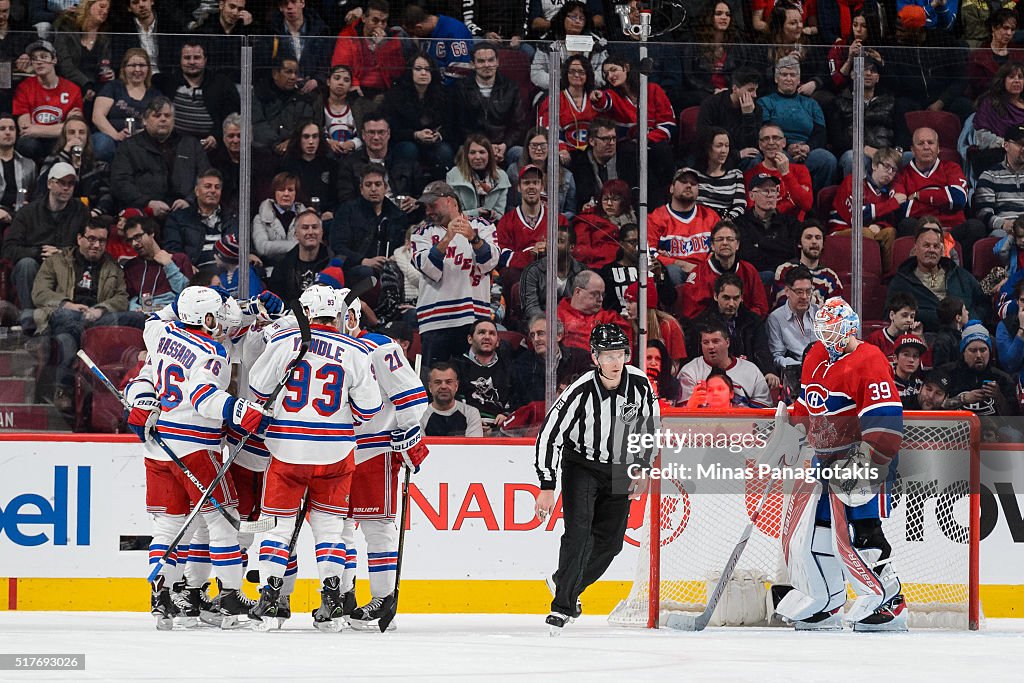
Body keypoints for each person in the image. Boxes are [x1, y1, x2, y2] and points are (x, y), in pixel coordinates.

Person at [125, 286, 269, 629]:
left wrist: (142, 403)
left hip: (158, 447)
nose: (219, 321)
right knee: (224, 521)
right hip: (195, 449)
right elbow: (204, 396)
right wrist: (240, 410)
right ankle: (231, 595)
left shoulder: (158, 333)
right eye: (214, 315)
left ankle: (163, 596)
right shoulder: (211, 351)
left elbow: (142, 376)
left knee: (170, 524)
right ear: (202, 317)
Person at [246, 284, 380, 632]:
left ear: (304, 311)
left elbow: (258, 389)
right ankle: (332, 596)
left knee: (277, 527)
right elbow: (369, 409)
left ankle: (272, 595)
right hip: (336, 453)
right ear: (337, 315)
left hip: (287, 451)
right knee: (331, 530)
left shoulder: (284, 341)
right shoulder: (356, 349)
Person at [781, 296, 906, 631]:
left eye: (836, 332)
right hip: (823, 459)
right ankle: (826, 599)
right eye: (824, 332)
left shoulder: (870, 359)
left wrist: (867, 463)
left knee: (864, 529)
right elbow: (809, 406)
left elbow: (886, 421)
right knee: (818, 530)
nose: (830, 340)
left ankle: (889, 602)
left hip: (862, 456)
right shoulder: (816, 355)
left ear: (851, 327)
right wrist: (792, 428)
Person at [534, 324, 657, 634]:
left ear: (627, 355)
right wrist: (546, 485)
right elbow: (550, 434)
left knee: (611, 543)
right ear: (595, 358)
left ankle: (564, 582)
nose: (614, 362)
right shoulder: (580, 390)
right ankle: (562, 606)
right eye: (607, 355)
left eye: (619, 354)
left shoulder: (641, 384)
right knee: (577, 533)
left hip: (620, 466)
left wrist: (643, 466)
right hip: (583, 465)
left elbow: (649, 426)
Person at [333, 292, 429, 629]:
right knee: (337, 528)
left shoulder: (380, 347)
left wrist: (407, 433)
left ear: (353, 318)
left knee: (378, 529)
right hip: (334, 451)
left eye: (338, 316)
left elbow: (414, 399)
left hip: (374, 450)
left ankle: (382, 596)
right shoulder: (323, 347)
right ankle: (342, 595)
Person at [32, 218, 133, 409]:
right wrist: (68, 304)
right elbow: (40, 293)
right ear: (79, 238)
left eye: (102, 241)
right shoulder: (57, 261)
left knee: (67, 338)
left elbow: (122, 298)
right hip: (64, 313)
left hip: (98, 318)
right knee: (69, 321)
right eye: (91, 239)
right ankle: (66, 386)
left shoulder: (113, 266)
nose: (96, 245)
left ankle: (63, 389)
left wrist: (100, 309)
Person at [410, 180, 499, 370]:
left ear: (450, 201)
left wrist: (474, 239)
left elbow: (489, 262)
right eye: (426, 207)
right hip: (435, 321)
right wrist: (447, 239)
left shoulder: (482, 226)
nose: (428, 211)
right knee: (435, 383)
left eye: (432, 205)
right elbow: (427, 267)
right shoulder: (421, 233)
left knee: (474, 383)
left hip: (474, 318)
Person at [2, 162, 90, 316]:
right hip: (35, 265)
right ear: (49, 183)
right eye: (61, 182)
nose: (66, 188)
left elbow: (89, 245)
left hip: (68, 265)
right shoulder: (28, 212)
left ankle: (67, 317)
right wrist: (38, 252)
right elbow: (9, 249)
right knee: (26, 264)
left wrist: (62, 252)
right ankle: (30, 317)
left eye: (71, 184)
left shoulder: (81, 211)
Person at [594, 54, 675, 206]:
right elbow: (605, 101)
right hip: (632, 151)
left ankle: (668, 190)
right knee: (629, 151)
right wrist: (598, 98)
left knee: (661, 149)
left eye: (613, 70)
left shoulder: (653, 90)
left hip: (654, 148)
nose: (610, 76)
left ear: (626, 68)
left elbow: (668, 125)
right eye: (606, 74)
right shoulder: (612, 95)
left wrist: (646, 139)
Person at [110, 96, 211, 215]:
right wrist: (147, 203)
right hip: (143, 212)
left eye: (167, 116)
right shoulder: (129, 146)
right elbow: (120, 182)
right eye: (157, 115)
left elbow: (206, 178)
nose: (163, 119)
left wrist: (189, 200)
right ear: (144, 120)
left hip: (187, 211)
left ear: (173, 120)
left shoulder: (191, 145)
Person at [887, 223, 989, 331]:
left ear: (941, 251)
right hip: (923, 336)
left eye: (936, 246)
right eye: (926, 245)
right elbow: (892, 315)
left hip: (966, 335)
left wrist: (970, 320)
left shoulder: (961, 275)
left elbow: (983, 304)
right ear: (915, 249)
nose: (931, 250)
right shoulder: (901, 282)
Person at [758, 56, 837, 192]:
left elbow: (820, 132)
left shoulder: (811, 104)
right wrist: (787, 147)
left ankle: (815, 205)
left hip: (807, 150)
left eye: (792, 75)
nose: (788, 78)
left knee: (827, 159)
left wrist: (807, 147)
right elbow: (766, 130)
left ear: (799, 80)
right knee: (779, 158)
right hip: (779, 149)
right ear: (776, 79)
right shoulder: (765, 102)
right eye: (784, 75)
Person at [687, 272, 777, 387]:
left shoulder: (754, 321)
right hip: (711, 379)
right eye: (726, 298)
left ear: (741, 297)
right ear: (715, 296)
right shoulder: (700, 324)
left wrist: (769, 371)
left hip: (748, 377)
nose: (731, 304)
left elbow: (761, 349)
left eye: (736, 298)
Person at [331, 163, 407, 287]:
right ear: (361, 189)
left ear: (386, 187)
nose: (373, 189)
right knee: (366, 272)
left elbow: (403, 246)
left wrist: (395, 257)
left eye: (378, 184)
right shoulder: (347, 211)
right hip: (355, 269)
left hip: (389, 270)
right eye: (368, 185)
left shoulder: (397, 215)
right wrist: (363, 261)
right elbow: (338, 246)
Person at [155, 40, 239, 150]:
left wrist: (216, 137)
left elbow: (232, 116)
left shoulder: (221, 83)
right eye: (187, 58)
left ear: (205, 60)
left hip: (212, 145)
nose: (192, 62)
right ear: (180, 60)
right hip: (175, 144)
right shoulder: (168, 82)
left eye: (197, 57)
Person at [828, 146, 901, 271]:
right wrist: (891, 204)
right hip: (841, 230)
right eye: (886, 166)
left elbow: (888, 220)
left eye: (893, 170)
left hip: (871, 232)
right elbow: (855, 217)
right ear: (874, 165)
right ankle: (865, 275)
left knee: (890, 232)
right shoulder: (853, 181)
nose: (890, 172)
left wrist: (879, 226)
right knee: (865, 232)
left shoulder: (886, 194)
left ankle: (886, 278)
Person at [496, 164, 567, 291]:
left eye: (536, 182)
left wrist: (550, 250)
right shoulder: (506, 221)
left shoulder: (558, 220)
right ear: (519, 187)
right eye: (526, 183)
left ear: (542, 187)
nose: (531, 187)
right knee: (510, 276)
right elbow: (502, 256)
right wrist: (530, 254)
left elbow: (568, 251)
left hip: (552, 273)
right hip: (520, 275)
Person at [680, 219, 770, 320]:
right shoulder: (699, 274)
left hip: (745, 329)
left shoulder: (749, 271)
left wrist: (740, 322)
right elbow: (692, 315)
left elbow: (761, 308)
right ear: (712, 245)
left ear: (737, 245)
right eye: (720, 239)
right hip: (711, 331)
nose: (725, 243)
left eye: (730, 239)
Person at [381, 54, 454, 175]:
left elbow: (451, 124)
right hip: (405, 141)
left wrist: (439, 135)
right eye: (418, 69)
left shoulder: (444, 94)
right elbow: (392, 129)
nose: (423, 73)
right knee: (409, 149)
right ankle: (405, 189)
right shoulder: (396, 95)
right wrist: (415, 135)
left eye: (427, 69)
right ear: (410, 71)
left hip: (434, 142)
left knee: (444, 151)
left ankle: (442, 188)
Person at [648, 167, 721, 287]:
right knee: (672, 271)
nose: (689, 186)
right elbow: (649, 255)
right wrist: (679, 263)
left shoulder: (710, 216)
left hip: (706, 272)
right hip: (674, 275)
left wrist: (701, 269)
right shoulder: (655, 218)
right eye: (683, 182)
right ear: (671, 188)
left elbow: (720, 248)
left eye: (693, 183)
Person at [455, 42, 527, 163]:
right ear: (473, 64)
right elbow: (459, 125)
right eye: (481, 61)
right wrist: (482, 147)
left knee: (519, 153)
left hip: (502, 145)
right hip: (472, 145)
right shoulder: (461, 88)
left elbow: (518, 124)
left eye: (491, 60)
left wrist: (504, 145)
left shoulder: (511, 87)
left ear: (497, 62)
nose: (487, 65)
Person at [13, 40, 84, 162]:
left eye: (44, 57)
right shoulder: (24, 88)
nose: (39, 62)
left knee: (71, 142)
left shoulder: (73, 90)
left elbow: (73, 129)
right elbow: (25, 130)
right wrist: (61, 127)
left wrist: (36, 130)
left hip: (59, 141)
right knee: (26, 144)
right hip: (34, 143)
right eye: (35, 59)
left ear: (54, 60)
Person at [677, 320, 772, 408]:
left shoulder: (751, 370)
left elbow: (763, 411)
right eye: (706, 342)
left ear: (727, 342)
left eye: (715, 341)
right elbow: (680, 415)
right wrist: (691, 406)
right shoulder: (689, 372)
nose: (710, 346)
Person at [334, 114, 418, 209]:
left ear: (388, 134)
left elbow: (421, 196)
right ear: (363, 135)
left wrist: (415, 202)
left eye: (381, 132)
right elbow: (346, 201)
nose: (376, 137)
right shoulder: (348, 164)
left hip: (402, 216)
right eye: (371, 132)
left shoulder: (405, 162)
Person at [90, 47, 159, 162]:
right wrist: (117, 136)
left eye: (142, 65)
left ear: (148, 69)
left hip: (141, 139)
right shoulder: (113, 87)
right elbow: (97, 116)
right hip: (110, 137)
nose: (137, 69)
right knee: (102, 145)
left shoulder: (155, 94)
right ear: (124, 68)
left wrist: (141, 135)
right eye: (132, 65)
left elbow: (157, 122)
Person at [833, 57, 897, 177]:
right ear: (852, 75)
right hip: (855, 152)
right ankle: (855, 195)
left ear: (877, 78)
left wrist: (896, 151)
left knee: (908, 156)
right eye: (863, 70)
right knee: (852, 158)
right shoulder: (840, 102)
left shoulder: (890, 101)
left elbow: (900, 130)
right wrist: (863, 149)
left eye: (872, 71)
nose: (868, 73)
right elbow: (837, 137)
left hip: (886, 152)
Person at [452, 319, 518, 435]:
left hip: (501, 430)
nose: (487, 337)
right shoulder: (456, 366)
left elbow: (517, 399)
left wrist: (506, 415)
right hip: (463, 428)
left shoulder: (509, 367)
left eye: (492, 333)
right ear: (470, 339)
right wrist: (471, 421)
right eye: (482, 332)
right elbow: (452, 400)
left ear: (497, 342)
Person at [510, 315, 593, 406]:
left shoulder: (580, 357)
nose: (536, 339)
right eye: (532, 335)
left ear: (558, 336)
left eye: (541, 333)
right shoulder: (523, 363)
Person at [163, 168, 238, 268]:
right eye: (207, 186)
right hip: (197, 271)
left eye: (217, 187)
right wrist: (186, 266)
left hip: (230, 268)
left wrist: (250, 253)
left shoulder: (232, 217)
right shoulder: (178, 218)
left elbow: (241, 244)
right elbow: (173, 250)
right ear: (197, 191)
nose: (213, 191)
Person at [329, 0, 404, 99]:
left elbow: (397, 72)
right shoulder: (348, 35)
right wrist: (354, 83)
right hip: (357, 89)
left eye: (384, 22)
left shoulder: (392, 39)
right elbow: (340, 66)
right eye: (375, 20)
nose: (380, 26)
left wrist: (383, 47)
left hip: (385, 91)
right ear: (364, 18)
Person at [529, 1, 608, 93]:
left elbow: (604, 70)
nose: (578, 21)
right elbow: (537, 73)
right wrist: (563, 82)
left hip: (589, 92)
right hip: (554, 92)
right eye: (573, 17)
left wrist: (583, 81)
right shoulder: (547, 43)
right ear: (563, 18)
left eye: (582, 18)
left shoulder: (597, 44)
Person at [943, 321, 1018, 416]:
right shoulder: (947, 373)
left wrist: (999, 397)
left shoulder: (1003, 379)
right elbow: (934, 406)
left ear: (990, 351)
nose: (978, 355)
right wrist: (963, 399)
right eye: (973, 350)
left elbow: (1014, 419)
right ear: (963, 352)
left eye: (983, 350)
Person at [122, 215, 194, 312]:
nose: (134, 244)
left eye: (138, 237)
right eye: (130, 240)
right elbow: (129, 298)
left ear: (151, 233)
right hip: (140, 316)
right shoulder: (131, 267)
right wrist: (136, 309)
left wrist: (169, 265)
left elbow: (188, 295)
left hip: (172, 316)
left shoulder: (179, 259)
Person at [735, 172, 802, 276]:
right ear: (752, 195)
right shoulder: (740, 223)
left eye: (773, 191)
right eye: (765, 191)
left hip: (786, 275)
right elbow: (747, 256)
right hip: (753, 276)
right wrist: (777, 248)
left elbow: (793, 251)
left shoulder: (790, 223)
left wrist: (761, 244)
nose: (770, 195)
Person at [599, 223, 673, 318]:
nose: (638, 247)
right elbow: (606, 306)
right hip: (622, 322)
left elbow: (670, 300)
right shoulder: (609, 271)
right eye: (633, 242)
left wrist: (660, 276)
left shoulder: (655, 266)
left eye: (641, 242)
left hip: (652, 321)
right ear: (621, 244)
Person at [696, 67, 764, 168]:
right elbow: (703, 137)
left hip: (743, 155)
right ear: (735, 88)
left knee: (755, 158)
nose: (755, 95)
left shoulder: (756, 109)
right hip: (716, 154)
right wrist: (736, 154)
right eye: (750, 90)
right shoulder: (711, 104)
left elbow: (753, 144)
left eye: (756, 90)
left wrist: (748, 116)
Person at [744, 122, 814, 220]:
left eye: (776, 138)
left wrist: (786, 174)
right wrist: (791, 203)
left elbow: (806, 205)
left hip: (794, 229)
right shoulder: (751, 174)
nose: (771, 142)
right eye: (766, 139)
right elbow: (754, 211)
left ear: (784, 143)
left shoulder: (800, 170)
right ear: (760, 145)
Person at [767, 266, 818, 398]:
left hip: (821, 371)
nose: (805, 297)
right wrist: (801, 366)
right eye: (799, 292)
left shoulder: (820, 313)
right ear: (787, 291)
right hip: (794, 375)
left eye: (808, 291)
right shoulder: (775, 318)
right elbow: (777, 356)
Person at [520, 220, 585, 321]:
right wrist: (551, 324)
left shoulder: (583, 272)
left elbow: (586, 305)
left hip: (574, 323)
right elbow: (531, 308)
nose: (553, 245)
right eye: (550, 241)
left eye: (560, 241)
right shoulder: (532, 271)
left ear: (571, 247)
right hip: (541, 325)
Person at [567, 117, 636, 213]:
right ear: (591, 141)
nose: (611, 143)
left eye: (614, 138)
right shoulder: (577, 163)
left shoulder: (628, 160)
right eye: (605, 139)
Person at [536, 55, 598, 160]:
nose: (577, 75)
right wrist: (561, 148)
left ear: (588, 75)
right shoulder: (554, 100)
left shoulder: (595, 99)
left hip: (592, 153)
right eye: (572, 71)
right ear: (566, 74)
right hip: (564, 155)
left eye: (581, 72)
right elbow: (547, 130)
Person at [53, 0, 112, 109]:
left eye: (107, 9)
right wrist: (86, 85)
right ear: (88, 6)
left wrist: (109, 73)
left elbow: (104, 65)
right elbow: (65, 66)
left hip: (96, 90)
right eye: (102, 6)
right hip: (70, 87)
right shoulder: (67, 30)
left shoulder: (104, 39)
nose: (105, 12)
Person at [506, 127, 576, 219]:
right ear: (527, 147)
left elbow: (571, 212)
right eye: (534, 145)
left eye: (543, 145)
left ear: (550, 147)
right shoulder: (514, 172)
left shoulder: (566, 176)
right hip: (522, 225)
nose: (538, 149)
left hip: (554, 227)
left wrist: (552, 220)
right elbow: (509, 207)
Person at [252, 57, 316, 154]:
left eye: (296, 73)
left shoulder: (303, 99)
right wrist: (276, 144)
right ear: (275, 74)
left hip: (294, 151)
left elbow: (306, 125)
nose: (293, 77)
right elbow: (257, 124)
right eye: (288, 72)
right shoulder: (259, 95)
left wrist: (292, 142)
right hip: (264, 150)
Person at [773, 220, 845, 306]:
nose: (814, 241)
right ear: (799, 244)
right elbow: (785, 304)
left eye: (818, 238)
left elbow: (838, 311)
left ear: (823, 245)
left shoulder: (830, 277)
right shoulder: (785, 270)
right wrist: (819, 304)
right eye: (809, 237)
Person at [266, 208, 332, 301]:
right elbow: (277, 302)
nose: (310, 232)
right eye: (305, 228)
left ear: (321, 232)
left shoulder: (334, 261)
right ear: (296, 234)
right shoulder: (283, 266)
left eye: (315, 227)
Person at [556, 270, 630, 352]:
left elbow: (624, 352)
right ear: (578, 292)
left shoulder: (611, 319)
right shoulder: (555, 316)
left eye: (602, 295)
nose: (601, 299)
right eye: (595, 294)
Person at [571, 178, 636, 269]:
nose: (609, 203)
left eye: (615, 199)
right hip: (598, 269)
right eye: (605, 199)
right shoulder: (587, 219)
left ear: (624, 201)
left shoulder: (632, 220)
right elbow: (581, 252)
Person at [401, 5, 474, 85]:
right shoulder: (428, 33)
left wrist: (439, 88)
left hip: (453, 89)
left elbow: (461, 70)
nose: (414, 37)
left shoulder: (454, 31)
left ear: (419, 28)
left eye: (413, 33)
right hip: (430, 86)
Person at [268, 0, 331, 93]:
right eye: (285, 3)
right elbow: (267, 64)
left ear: (303, 3)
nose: (289, 6)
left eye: (293, 2)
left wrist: (317, 80)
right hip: (281, 93)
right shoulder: (271, 32)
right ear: (280, 7)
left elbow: (326, 62)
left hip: (314, 93)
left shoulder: (321, 30)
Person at [446, 134, 511, 221]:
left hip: (491, 227)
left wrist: (492, 215)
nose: (477, 157)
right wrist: (477, 213)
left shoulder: (501, 177)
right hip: (462, 224)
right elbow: (453, 213)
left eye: (482, 152)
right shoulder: (453, 175)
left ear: (489, 155)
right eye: (472, 152)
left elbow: (500, 214)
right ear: (466, 155)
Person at [975, 123, 1024, 235]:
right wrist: (1003, 224)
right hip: (1005, 229)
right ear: (1006, 145)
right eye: (1020, 144)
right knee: (998, 236)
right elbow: (983, 213)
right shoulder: (989, 176)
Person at [252, 171, 306, 268]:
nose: (286, 194)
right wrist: (298, 245)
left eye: (290, 190)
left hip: (300, 268)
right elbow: (262, 247)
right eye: (281, 190)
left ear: (296, 193)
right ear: (274, 192)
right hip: (270, 269)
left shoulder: (306, 217)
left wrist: (275, 246)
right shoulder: (260, 218)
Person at [694, 126, 746, 221]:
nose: (724, 151)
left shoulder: (736, 174)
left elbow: (740, 206)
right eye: (719, 146)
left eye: (727, 146)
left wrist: (727, 219)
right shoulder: (693, 175)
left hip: (725, 225)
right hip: (698, 223)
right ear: (708, 148)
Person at [420, 362, 484, 437]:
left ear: (456, 386)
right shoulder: (419, 416)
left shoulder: (471, 413)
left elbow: (474, 447)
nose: (443, 386)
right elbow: (419, 447)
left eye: (448, 382)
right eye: (438, 382)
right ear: (430, 387)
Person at [0, 113, 35, 230]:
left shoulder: (29, 164)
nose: (8, 132)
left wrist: (28, 205)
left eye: (12, 128)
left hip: (21, 215)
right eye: (2, 129)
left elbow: (34, 194)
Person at [866, 292, 921, 360]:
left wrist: (919, 336)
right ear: (892, 315)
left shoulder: (913, 339)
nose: (909, 320)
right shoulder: (875, 339)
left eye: (912, 316)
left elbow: (924, 365)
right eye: (904, 315)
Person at [932, 295, 968, 368]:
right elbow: (940, 369)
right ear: (958, 318)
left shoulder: (963, 335)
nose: (968, 312)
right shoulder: (943, 341)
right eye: (965, 310)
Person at [892, 333, 927, 402]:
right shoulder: (886, 384)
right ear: (895, 358)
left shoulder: (921, 386)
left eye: (915, 356)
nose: (911, 360)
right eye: (906, 354)